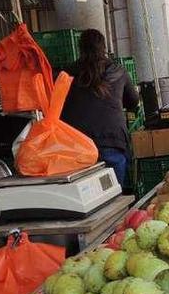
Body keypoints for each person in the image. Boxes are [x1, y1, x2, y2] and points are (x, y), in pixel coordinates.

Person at [60, 29, 140, 189]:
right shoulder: (118, 71)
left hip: (77, 146)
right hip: (111, 142)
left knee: (89, 200)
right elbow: (133, 101)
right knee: (116, 197)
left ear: (80, 48)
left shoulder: (66, 74)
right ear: (104, 48)